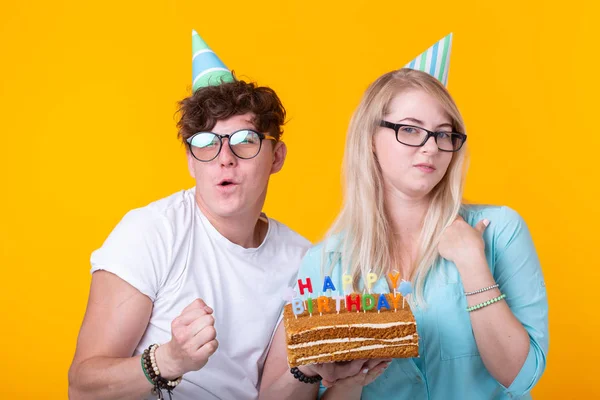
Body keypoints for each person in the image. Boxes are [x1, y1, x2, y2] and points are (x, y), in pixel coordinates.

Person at [260, 34, 548, 400]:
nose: (431, 146)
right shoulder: (325, 263)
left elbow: (521, 377)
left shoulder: (499, 231)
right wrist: (347, 380)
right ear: (369, 138)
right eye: (410, 129)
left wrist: (473, 264)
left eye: (444, 134)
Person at [68, 30, 311, 400]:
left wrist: (313, 370)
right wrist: (167, 360)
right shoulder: (151, 232)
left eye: (245, 141)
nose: (224, 158)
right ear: (190, 162)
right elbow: (82, 388)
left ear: (276, 157)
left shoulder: (302, 260)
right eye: (206, 144)